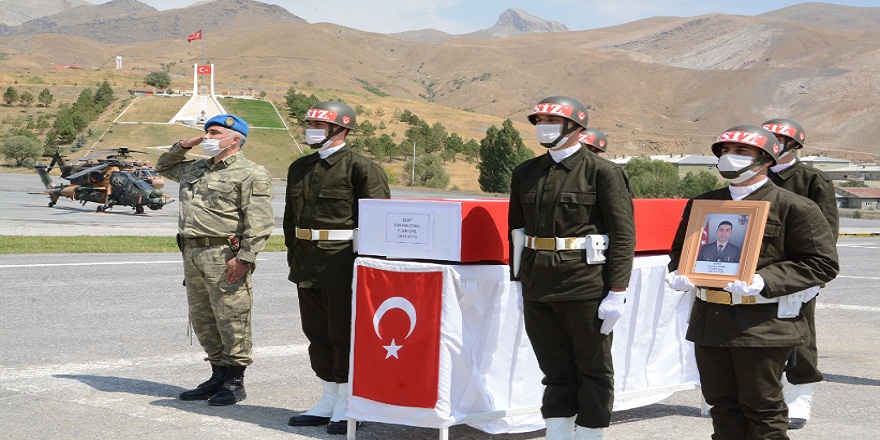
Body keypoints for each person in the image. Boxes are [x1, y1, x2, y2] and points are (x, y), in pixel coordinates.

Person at [666, 125, 839, 439]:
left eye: (741, 151)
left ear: (766, 160)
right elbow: (682, 249)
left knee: (763, 409)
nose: (730, 158)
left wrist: (765, 280)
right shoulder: (703, 204)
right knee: (722, 406)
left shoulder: (794, 207)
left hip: (764, 324)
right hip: (711, 320)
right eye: (726, 151)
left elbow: (822, 263)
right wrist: (679, 271)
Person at [508, 96, 636, 440]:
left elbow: (623, 235)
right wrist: (518, 281)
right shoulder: (525, 173)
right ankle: (559, 431)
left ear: (576, 127)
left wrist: (617, 291)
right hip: (537, 283)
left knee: (592, 367)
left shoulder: (603, 173)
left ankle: (590, 432)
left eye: (552, 120)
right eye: (539, 121)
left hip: (585, 284)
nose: (543, 127)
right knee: (553, 367)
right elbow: (517, 232)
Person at [284, 101, 390, 435]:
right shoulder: (300, 167)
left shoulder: (361, 168)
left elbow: (377, 222)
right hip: (307, 262)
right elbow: (290, 219)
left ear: (340, 130)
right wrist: (294, 254)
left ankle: (350, 403)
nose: (311, 130)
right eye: (309, 124)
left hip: (344, 262)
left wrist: (370, 267)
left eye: (318, 125)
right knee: (317, 334)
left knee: (345, 335)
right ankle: (328, 399)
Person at [156, 114, 275, 406]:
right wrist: (186, 143)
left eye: (214, 132)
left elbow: (259, 222)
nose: (207, 137)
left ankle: (235, 381)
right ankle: (217, 374)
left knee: (231, 316)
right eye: (206, 132)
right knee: (203, 317)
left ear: (235, 139)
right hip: (192, 252)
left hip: (225, 254)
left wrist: (244, 259)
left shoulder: (251, 173)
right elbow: (164, 167)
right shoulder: (196, 167)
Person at [762, 118, 839, 430]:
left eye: (778, 139)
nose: (772, 144)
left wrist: (813, 277)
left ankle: (801, 395)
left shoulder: (812, 180)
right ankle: (767, 394)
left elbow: (827, 232)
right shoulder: (753, 178)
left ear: (794, 145)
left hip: (797, 272)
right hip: (757, 272)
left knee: (800, 334)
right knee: (758, 334)